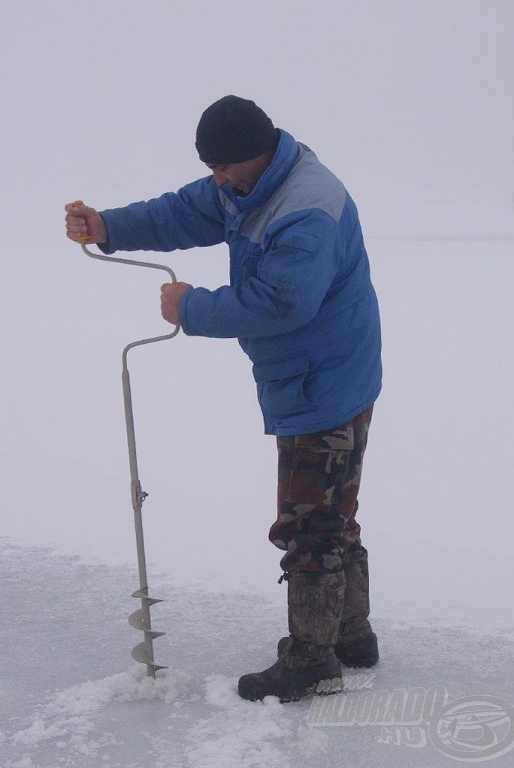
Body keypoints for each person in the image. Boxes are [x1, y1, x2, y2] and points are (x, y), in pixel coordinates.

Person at [65, 95, 382, 702]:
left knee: (308, 522)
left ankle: (314, 659)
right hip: (322, 370)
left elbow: (282, 303)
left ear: (255, 153)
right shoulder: (253, 180)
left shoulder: (305, 208)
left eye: (223, 168)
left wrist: (192, 307)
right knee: (332, 506)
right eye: (210, 168)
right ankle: (352, 635)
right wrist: (110, 226)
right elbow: (186, 211)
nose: (216, 180)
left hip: (325, 377)